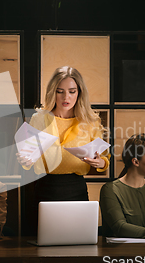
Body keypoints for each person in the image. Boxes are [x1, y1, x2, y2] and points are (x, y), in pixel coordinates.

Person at [19, 66, 109, 202]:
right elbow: (28, 158)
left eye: (72, 92)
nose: (66, 97)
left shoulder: (90, 121)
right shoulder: (39, 119)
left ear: (79, 93)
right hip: (45, 186)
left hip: (76, 188)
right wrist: (25, 160)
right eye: (60, 91)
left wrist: (101, 163)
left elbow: (103, 158)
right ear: (52, 92)